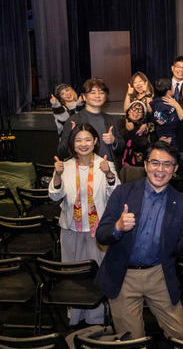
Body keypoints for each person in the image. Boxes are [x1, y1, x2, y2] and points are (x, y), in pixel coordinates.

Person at [95, 141, 183, 340]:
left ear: (175, 169)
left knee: (180, 335)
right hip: (124, 275)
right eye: (155, 163)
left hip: (159, 274)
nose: (160, 170)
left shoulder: (182, 203)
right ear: (145, 165)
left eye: (167, 164)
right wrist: (118, 227)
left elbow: (178, 248)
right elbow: (101, 234)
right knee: (132, 341)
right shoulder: (123, 193)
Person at [50, 123, 119, 325]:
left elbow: (116, 196)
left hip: (97, 232)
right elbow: (54, 196)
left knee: (97, 275)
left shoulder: (105, 164)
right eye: (78, 140)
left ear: (95, 141)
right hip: (71, 229)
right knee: (72, 275)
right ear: (72, 143)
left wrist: (109, 174)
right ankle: (74, 317)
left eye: (88, 139)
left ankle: (96, 319)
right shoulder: (64, 166)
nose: (83, 144)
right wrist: (57, 176)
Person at [58, 78, 125, 166]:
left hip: (108, 169)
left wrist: (113, 140)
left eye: (101, 92)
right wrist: (71, 138)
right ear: (84, 97)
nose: (97, 95)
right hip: (84, 170)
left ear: (105, 97)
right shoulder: (74, 120)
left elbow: (122, 147)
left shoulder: (111, 119)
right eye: (93, 92)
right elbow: (61, 153)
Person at [117, 101, 151, 168]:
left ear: (142, 115)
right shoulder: (121, 122)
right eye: (134, 109)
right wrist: (127, 130)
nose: (136, 112)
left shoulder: (144, 127)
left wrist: (140, 134)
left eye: (140, 110)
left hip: (137, 164)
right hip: (119, 161)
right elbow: (117, 142)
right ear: (128, 111)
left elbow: (143, 147)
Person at [150, 78, 179, 146]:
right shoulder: (159, 104)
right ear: (168, 92)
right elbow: (161, 119)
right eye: (172, 87)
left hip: (172, 134)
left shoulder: (169, 101)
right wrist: (162, 119)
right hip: (167, 136)